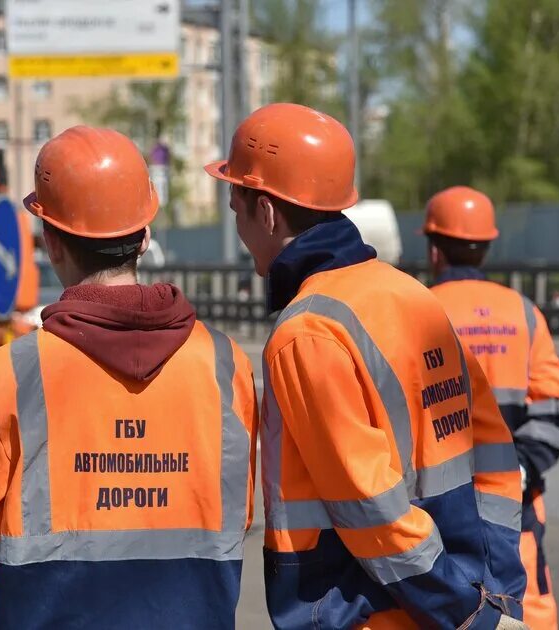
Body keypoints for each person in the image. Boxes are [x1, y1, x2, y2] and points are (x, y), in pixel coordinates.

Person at [205, 103, 526, 629]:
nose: (240, 229)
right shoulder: (412, 295)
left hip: (381, 616)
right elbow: (492, 451)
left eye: (237, 208)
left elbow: (370, 507)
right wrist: (497, 594)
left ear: (266, 212)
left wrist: (465, 614)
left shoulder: (305, 332)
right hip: (464, 597)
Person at [0, 126, 259, 629]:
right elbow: (235, 513)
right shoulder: (224, 364)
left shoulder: (13, 372)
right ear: (146, 236)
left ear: (50, 242)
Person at [424, 186, 559, 629]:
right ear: (487, 248)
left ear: (435, 250)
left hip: (440, 512)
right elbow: (553, 409)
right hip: (516, 505)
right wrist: (519, 470)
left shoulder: (417, 310)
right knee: (525, 606)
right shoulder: (523, 312)